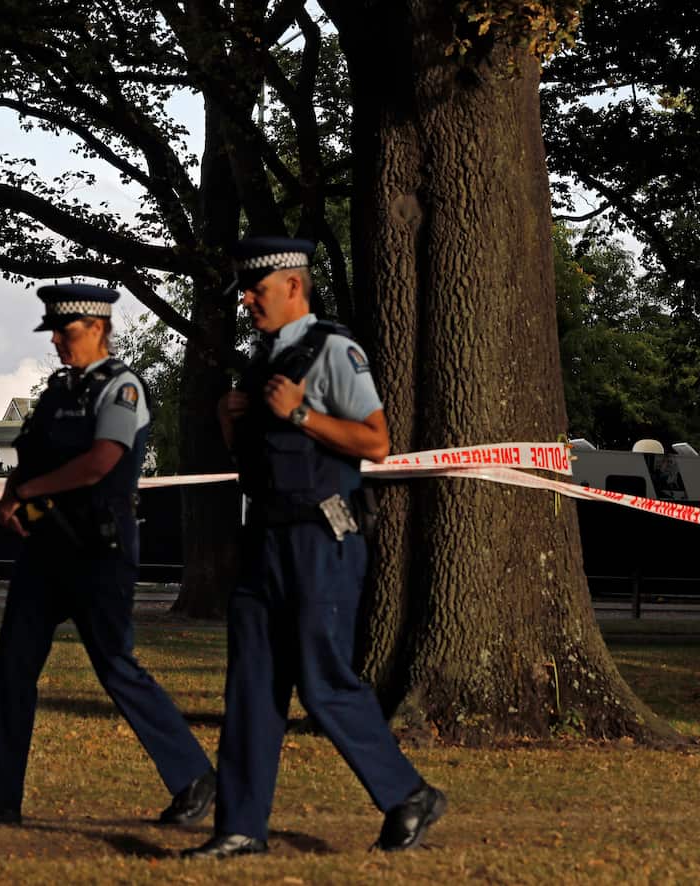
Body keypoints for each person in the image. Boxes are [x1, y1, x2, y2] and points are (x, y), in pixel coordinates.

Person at [185, 237, 446, 859]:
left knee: (323, 683)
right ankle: (241, 827)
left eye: (258, 289)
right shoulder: (259, 363)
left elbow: (376, 442)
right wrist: (232, 421)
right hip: (266, 541)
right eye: (245, 291)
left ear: (294, 287)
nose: (247, 300)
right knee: (250, 685)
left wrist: (302, 415)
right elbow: (258, 463)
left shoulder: (334, 351)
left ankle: (408, 794)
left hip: (321, 541)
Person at [0, 283, 216, 827]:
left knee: (116, 666)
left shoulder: (122, 388)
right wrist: (10, 495)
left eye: (67, 333)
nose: (60, 344)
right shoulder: (58, 390)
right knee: (12, 667)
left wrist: (27, 491)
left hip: (99, 548)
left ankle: (193, 776)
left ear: (96, 328)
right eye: (55, 334)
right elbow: (30, 453)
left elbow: (101, 463)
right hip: (47, 546)